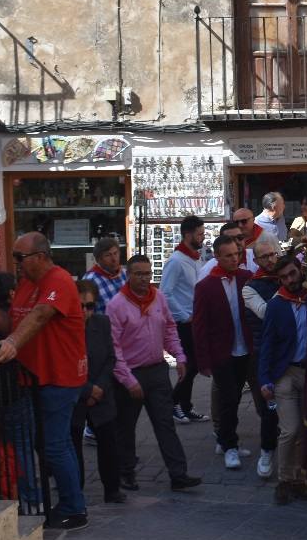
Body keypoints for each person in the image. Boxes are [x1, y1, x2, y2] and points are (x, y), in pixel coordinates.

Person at [0, 232, 88, 530]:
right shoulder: (26, 285)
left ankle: (74, 508)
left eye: (21, 257)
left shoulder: (58, 280)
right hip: (37, 378)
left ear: (41, 257)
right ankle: (70, 503)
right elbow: (12, 324)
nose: (16, 263)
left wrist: (13, 343)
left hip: (59, 376)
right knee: (55, 444)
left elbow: (41, 316)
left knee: (55, 446)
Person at [109, 255, 201, 493]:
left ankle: (178, 475)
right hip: (130, 374)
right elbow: (114, 349)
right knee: (126, 428)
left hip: (157, 370)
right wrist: (128, 380)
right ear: (128, 275)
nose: (144, 279)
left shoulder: (158, 298)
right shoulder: (116, 305)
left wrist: (179, 356)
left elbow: (169, 328)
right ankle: (125, 474)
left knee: (165, 424)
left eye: (148, 274)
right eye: (139, 274)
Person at [192, 235, 257, 473]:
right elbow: (199, 326)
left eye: (236, 254)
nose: (234, 259)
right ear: (217, 256)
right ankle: (230, 444)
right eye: (228, 255)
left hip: (243, 349)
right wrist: (203, 360)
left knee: (235, 397)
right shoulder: (205, 286)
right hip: (221, 352)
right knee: (228, 399)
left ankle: (225, 439)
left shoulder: (246, 278)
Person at [258, 255, 307, 506]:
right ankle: (283, 480)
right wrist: (264, 379)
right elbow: (266, 343)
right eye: (283, 277)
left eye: (292, 274)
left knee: (304, 430)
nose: (289, 280)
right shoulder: (277, 305)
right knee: (289, 429)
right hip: (285, 373)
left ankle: (298, 479)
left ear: (300, 271)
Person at [70, 280, 124, 504]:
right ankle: (75, 491)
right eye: (80, 306)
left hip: (101, 391)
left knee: (109, 442)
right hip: (75, 394)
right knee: (73, 446)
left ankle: (112, 489)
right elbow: (64, 364)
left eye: (89, 306)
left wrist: (99, 387)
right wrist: (87, 390)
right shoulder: (63, 328)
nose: (85, 311)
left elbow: (110, 357)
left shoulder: (102, 323)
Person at [240, 233, 284, 478]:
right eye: (264, 256)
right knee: (269, 408)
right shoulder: (250, 287)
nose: (270, 260)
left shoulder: (285, 277)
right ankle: (267, 451)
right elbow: (267, 313)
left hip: (289, 354)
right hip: (264, 355)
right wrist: (287, 288)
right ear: (255, 261)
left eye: (273, 254)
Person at [163, 215, 209, 424]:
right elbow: (165, 293)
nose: (202, 237)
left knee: (195, 364)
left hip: (196, 320)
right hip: (183, 323)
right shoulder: (175, 261)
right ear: (188, 235)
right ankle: (173, 403)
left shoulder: (195, 257)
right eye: (199, 234)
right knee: (190, 364)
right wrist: (183, 315)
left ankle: (185, 406)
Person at [82, 237, 127, 313]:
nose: (114, 259)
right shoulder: (90, 280)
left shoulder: (125, 274)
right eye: (108, 255)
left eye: (115, 253)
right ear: (98, 260)